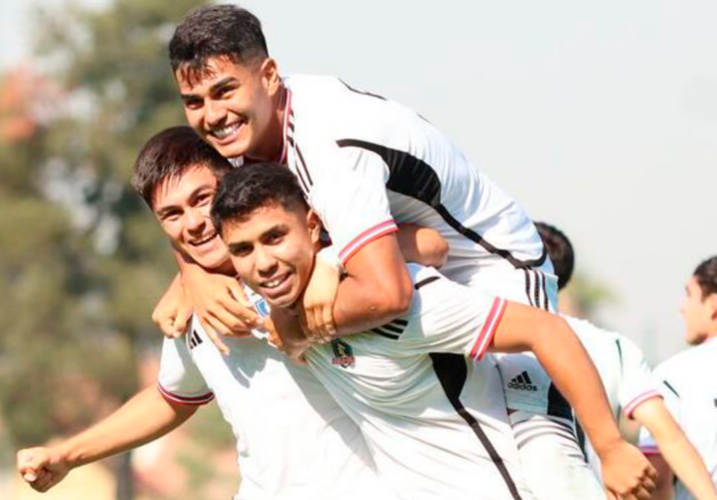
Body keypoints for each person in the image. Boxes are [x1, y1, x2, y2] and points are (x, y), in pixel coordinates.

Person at [158, 5, 656, 498]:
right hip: (411, 269)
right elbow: (195, 205)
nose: (212, 114)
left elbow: (387, 290)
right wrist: (191, 274)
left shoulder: (329, 145)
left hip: (493, 269)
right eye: (194, 100)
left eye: (224, 90)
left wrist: (295, 325)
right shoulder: (242, 134)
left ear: (267, 75)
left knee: (544, 463)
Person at [210, 162, 660, 500]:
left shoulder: (403, 304)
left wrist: (611, 447)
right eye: (243, 250)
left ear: (312, 227)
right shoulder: (266, 301)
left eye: (275, 237)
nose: (263, 262)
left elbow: (547, 330)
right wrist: (188, 277)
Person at [16, 127, 398, 500]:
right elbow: (170, 399)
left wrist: (328, 264)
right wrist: (67, 455)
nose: (194, 223)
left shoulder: (300, 262)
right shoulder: (190, 308)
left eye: (202, 198)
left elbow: (416, 250)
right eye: (172, 214)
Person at [535, 222, 717, 500]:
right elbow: (670, 437)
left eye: (689, 295)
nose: (681, 306)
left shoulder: (485, 343)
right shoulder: (615, 347)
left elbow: (661, 465)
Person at [638, 256, 717, 500]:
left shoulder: (675, 374)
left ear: (713, 304)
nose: (682, 307)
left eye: (689, 295)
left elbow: (656, 481)